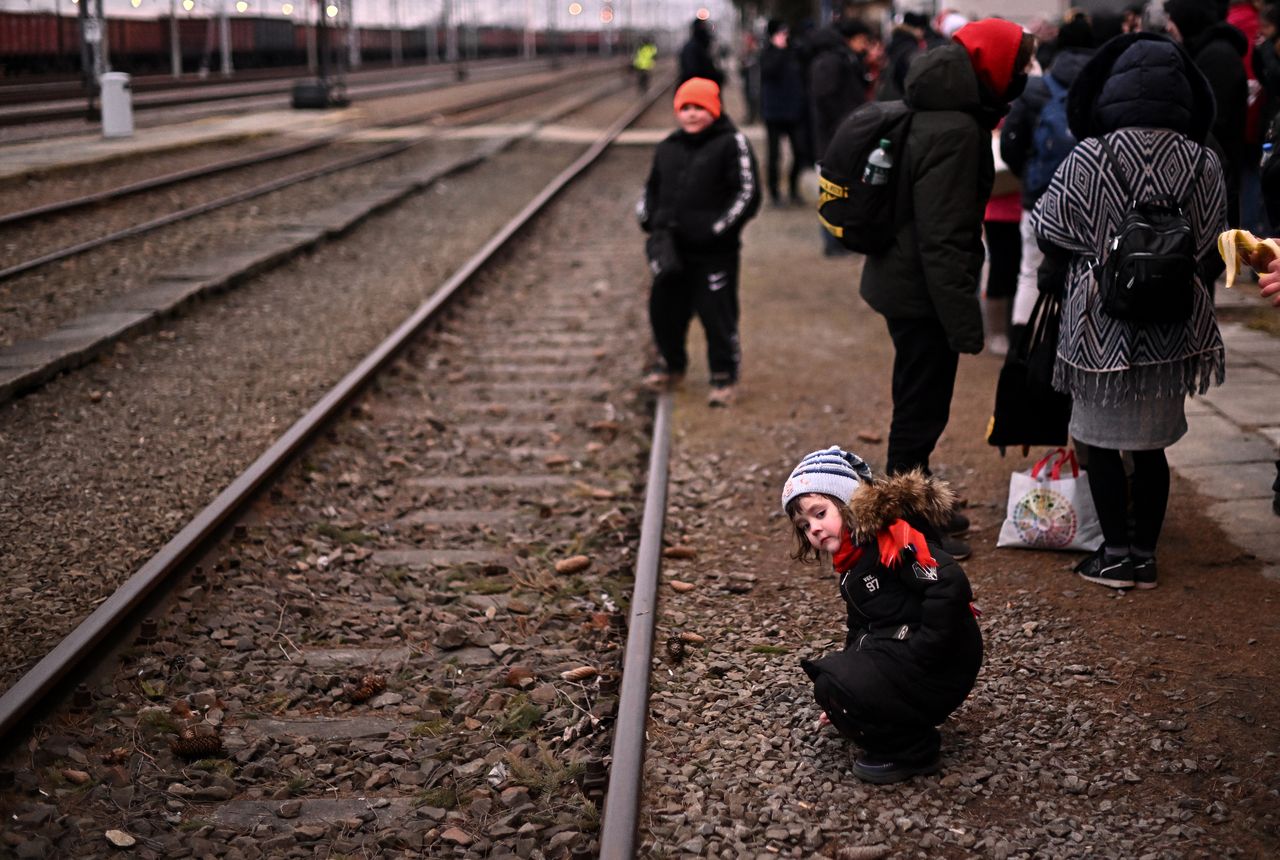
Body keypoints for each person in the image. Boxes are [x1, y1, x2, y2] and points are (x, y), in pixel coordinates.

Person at [1031, 32, 1228, 590]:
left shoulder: (1089, 155)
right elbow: (1214, 239)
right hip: (1172, 324)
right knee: (1152, 446)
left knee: (1098, 439)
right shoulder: (1203, 160)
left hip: (1099, 326)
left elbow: (1047, 225)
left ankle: (1114, 555)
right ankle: (1145, 554)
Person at [859, 18, 1036, 559]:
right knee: (921, 406)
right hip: (922, 291)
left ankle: (915, 504)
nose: (1025, 73)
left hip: (905, 280)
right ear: (993, 66)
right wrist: (964, 321)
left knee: (919, 399)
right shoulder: (957, 129)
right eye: (1019, 63)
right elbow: (943, 237)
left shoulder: (939, 110)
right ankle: (904, 527)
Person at [783, 446, 983, 784]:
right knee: (832, 682)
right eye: (804, 525)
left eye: (820, 513)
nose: (813, 529)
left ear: (847, 503)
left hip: (943, 660)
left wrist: (925, 652)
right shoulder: (852, 560)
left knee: (837, 682)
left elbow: (949, 583)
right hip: (909, 649)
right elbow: (862, 624)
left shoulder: (889, 543)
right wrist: (848, 689)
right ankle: (895, 718)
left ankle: (914, 750)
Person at [636, 77, 761, 408]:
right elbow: (650, 188)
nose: (692, 115)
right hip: (671, 248)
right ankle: (671, 364)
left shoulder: (732, 143)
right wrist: (648, 218)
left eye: (700, 108)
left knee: (716, 313)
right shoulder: (668, 147)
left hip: (714, 253)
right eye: (685, 108)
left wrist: (716, 229)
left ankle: (724, 376)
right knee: (664, 310)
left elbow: (747, 194)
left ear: (714, 110)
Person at [1001, 12, 1095, 347]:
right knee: (1085, 272)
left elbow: (1012, 144)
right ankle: (1073, 345)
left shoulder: (1038, 87)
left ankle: (1022, 345)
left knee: (1030, 271)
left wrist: (1026, 175)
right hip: (1089, 198)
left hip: (1039, 194)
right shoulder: (1103, 84)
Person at [1165, 0, 1249, 228]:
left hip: (1218, 175)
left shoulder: (1217, 56)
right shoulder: (1205, 51)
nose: (1168, 26)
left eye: (1172, 18)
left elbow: (1214, 123)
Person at [809, 17, 874, 255]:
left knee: (841, 190)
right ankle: (833, 243)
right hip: (834, 139)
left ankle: (840, 240)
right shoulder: (832, 62)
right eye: (863, 41)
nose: (865, 46)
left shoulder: (840, 60)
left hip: (840, 136)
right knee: (832, 191)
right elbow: (828, 101)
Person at [759, 19, 810, 206]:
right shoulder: (767, 54)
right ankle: (774, 193)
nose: (785, 36)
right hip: (774, 112)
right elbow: (768, 72)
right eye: (781, 33)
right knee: (774, 156)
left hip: (794, 111)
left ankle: (793, 189)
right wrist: (779, 50)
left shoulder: (794, 52)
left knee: (800, 152)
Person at [679, 18, 724, 87]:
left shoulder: (699, 46)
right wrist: (716, 76)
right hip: (698, 88)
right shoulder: (695, 48)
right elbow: (693, 72)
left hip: (696, 87)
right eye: (704, 26)